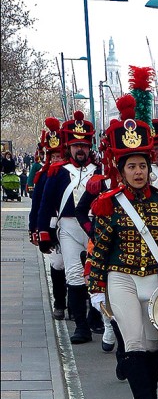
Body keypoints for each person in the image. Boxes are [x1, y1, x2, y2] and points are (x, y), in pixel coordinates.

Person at [87, 99, 158, 399]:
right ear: (121, 169)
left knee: (155, 341)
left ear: (149, 167)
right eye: (132, 166)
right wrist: (96, 289)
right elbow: (99, 250)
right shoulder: (107, 204)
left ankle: (151, 392)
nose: (138, 171)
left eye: (142, 165)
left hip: (155, 278)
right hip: (121, 277)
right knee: (134, 340)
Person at [37, 110, 103, 343]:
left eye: (84, 145)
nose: (81, 150)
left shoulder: (101, 171)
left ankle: (96, 318)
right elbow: (45, 203)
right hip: (68, 227)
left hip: (96, 227)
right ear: (69, 147)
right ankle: (81, 326)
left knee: (97, 275)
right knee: (74, 274)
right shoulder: (58, 172)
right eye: (76, 146)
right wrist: (43, 231)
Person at [30, 118, 68, 320]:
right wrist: (35, 228)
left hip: (72, 224)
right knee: (57, 263)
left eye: (59, 155)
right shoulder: (43, 175)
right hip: (53, 225)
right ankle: (60, 303)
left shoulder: (71, 174)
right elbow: (38, 205)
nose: (56, 159)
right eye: (53, 156)